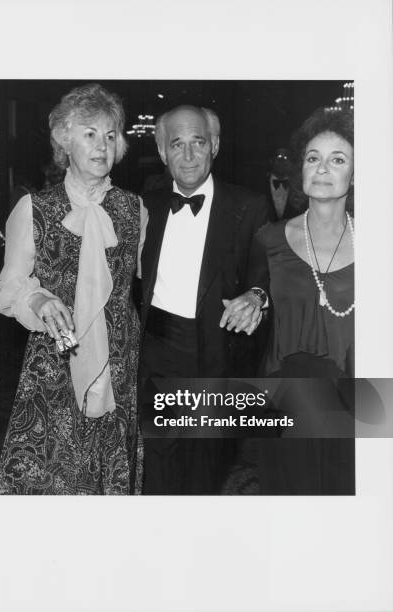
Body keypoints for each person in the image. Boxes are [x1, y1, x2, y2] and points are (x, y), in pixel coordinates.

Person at [0, 83, 142, 495]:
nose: (102, 145)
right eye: (89, 134)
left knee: (109, 475)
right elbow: (11, 286)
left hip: (120, 363)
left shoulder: (134, 208)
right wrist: (40, 298)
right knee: (56, 475)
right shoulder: (34, 208)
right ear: (64, 139)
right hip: (56, 364)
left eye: (110, 135)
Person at [223, 108, 355, 494]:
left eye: (338, 159)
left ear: (355, 172)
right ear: (301, 169)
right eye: (313, 158)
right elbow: (256, 288)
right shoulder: (270, 238)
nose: (324, 168)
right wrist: (254, 299)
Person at [139, 105, 269, 494]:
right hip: (156, 348)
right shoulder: (147, 204)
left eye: (198, 142)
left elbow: (269, 272)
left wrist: (257, 296)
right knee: (158, 467)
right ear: (162, 152)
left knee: (205, 468)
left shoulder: (249, 206)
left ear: (214, 145)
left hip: (216, 349)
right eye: (177, 144)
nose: (190, 155)